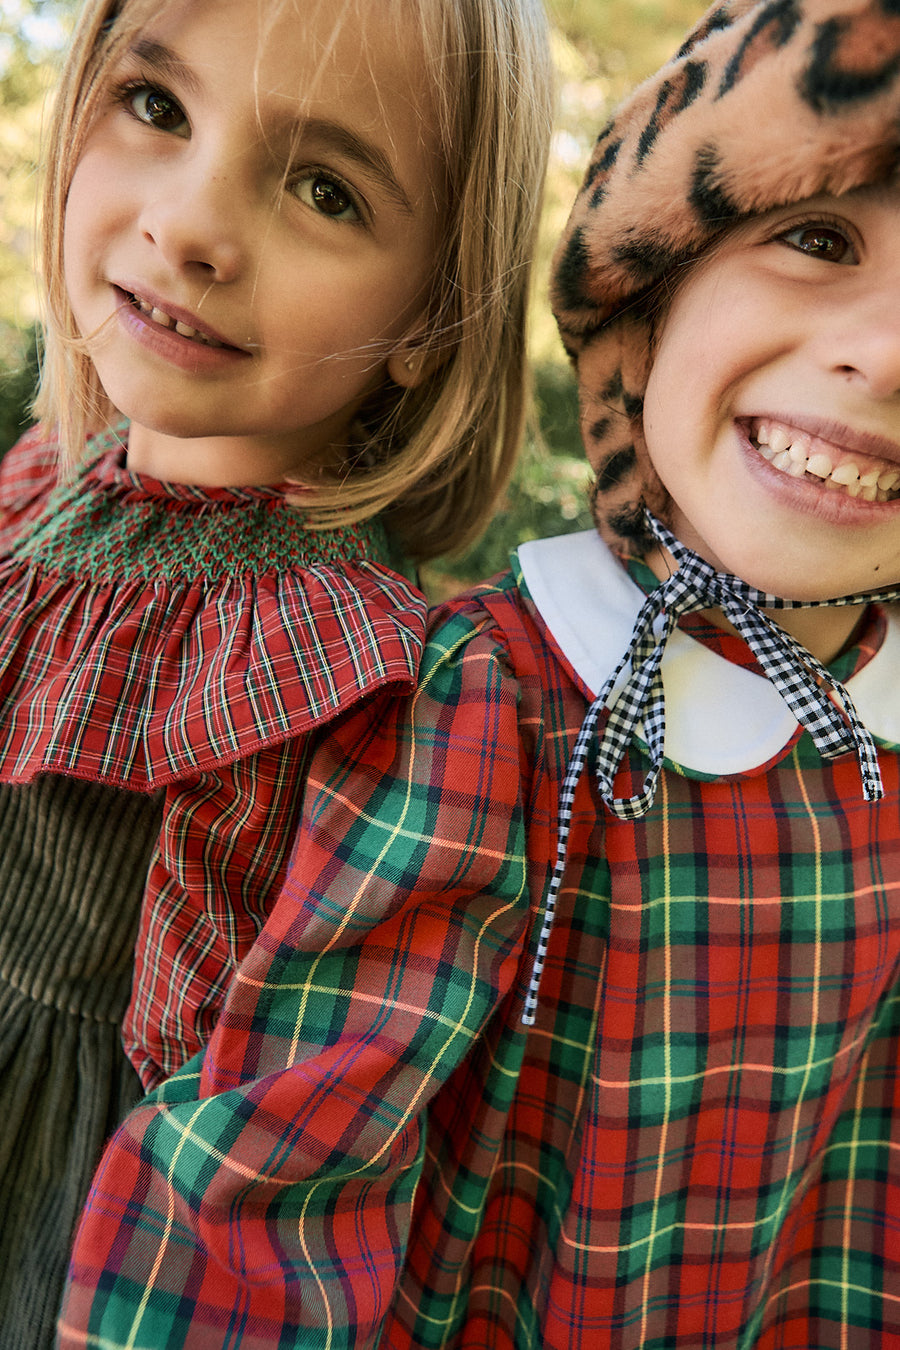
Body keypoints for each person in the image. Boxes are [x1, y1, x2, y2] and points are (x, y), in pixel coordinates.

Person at [59, 0, 900, 1344]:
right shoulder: (491, 698)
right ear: (651, 273)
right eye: (814, 238)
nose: (888, 351)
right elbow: (282, 1166)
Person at [0, 0, 553, 1343]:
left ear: (432, 311)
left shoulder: (370, 673)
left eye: (324, 187)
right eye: (158, 108)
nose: (188, 226)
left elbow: (279, 1134)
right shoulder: (35, 491)